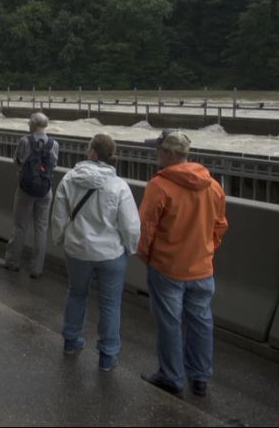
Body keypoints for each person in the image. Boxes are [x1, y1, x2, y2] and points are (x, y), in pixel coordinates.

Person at [138, 129, 228, 398]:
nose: (156, 153)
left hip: (168, 268)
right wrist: (206, 251)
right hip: (202, 268)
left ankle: (171, 376)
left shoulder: (159, 185)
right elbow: (220, 225)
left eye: (158, 149)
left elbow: (145, 228)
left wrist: (146, 256)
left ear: (169, 153)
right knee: (201, 322)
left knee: (170, 323)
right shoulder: (212, 185)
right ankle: (200, 378)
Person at [51, 134, 140, 371]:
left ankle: (71, 341)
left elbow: (59, 216)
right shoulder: (119, 185)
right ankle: (107, 356)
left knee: (76, 294)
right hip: (110, 254)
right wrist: (130, 248)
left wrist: (60, 239)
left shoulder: (69, 179)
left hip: (78, 250)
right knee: (110, 303)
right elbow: (130, 225)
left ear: (91, 153)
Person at [0, 112, 59, 278]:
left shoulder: (25, 141)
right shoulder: (54, 144)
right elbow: (54, 165)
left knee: (20, 226)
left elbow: (17, 161)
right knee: (41, 228)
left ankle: (12, 262)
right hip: (46, 190)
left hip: (26, 189)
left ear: (32, 124)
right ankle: (36, 269)